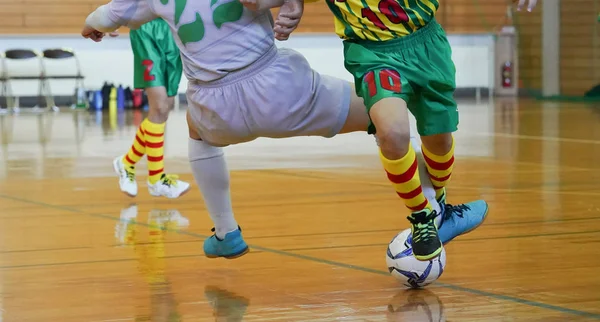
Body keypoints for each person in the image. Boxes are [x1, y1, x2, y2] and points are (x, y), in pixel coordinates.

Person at [81, 0, 489, 261]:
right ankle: (434, 209)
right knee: (385, 123)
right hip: (284, 92)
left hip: (216, 108)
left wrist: (92, 27)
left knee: (195, 132)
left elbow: (106, 16)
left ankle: (226, 233)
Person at [308, 0, 536, 260]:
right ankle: (422, 216)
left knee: (439, 141)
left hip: (426, 43)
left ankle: (440, 206)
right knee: (392, 133)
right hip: (372, 52)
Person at [111, 19, 190, 199]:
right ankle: (156, 178)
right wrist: (113, 17)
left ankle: (127, 162)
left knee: (163, 110)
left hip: (176, 28)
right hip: (146, 27)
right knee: (160, 107)